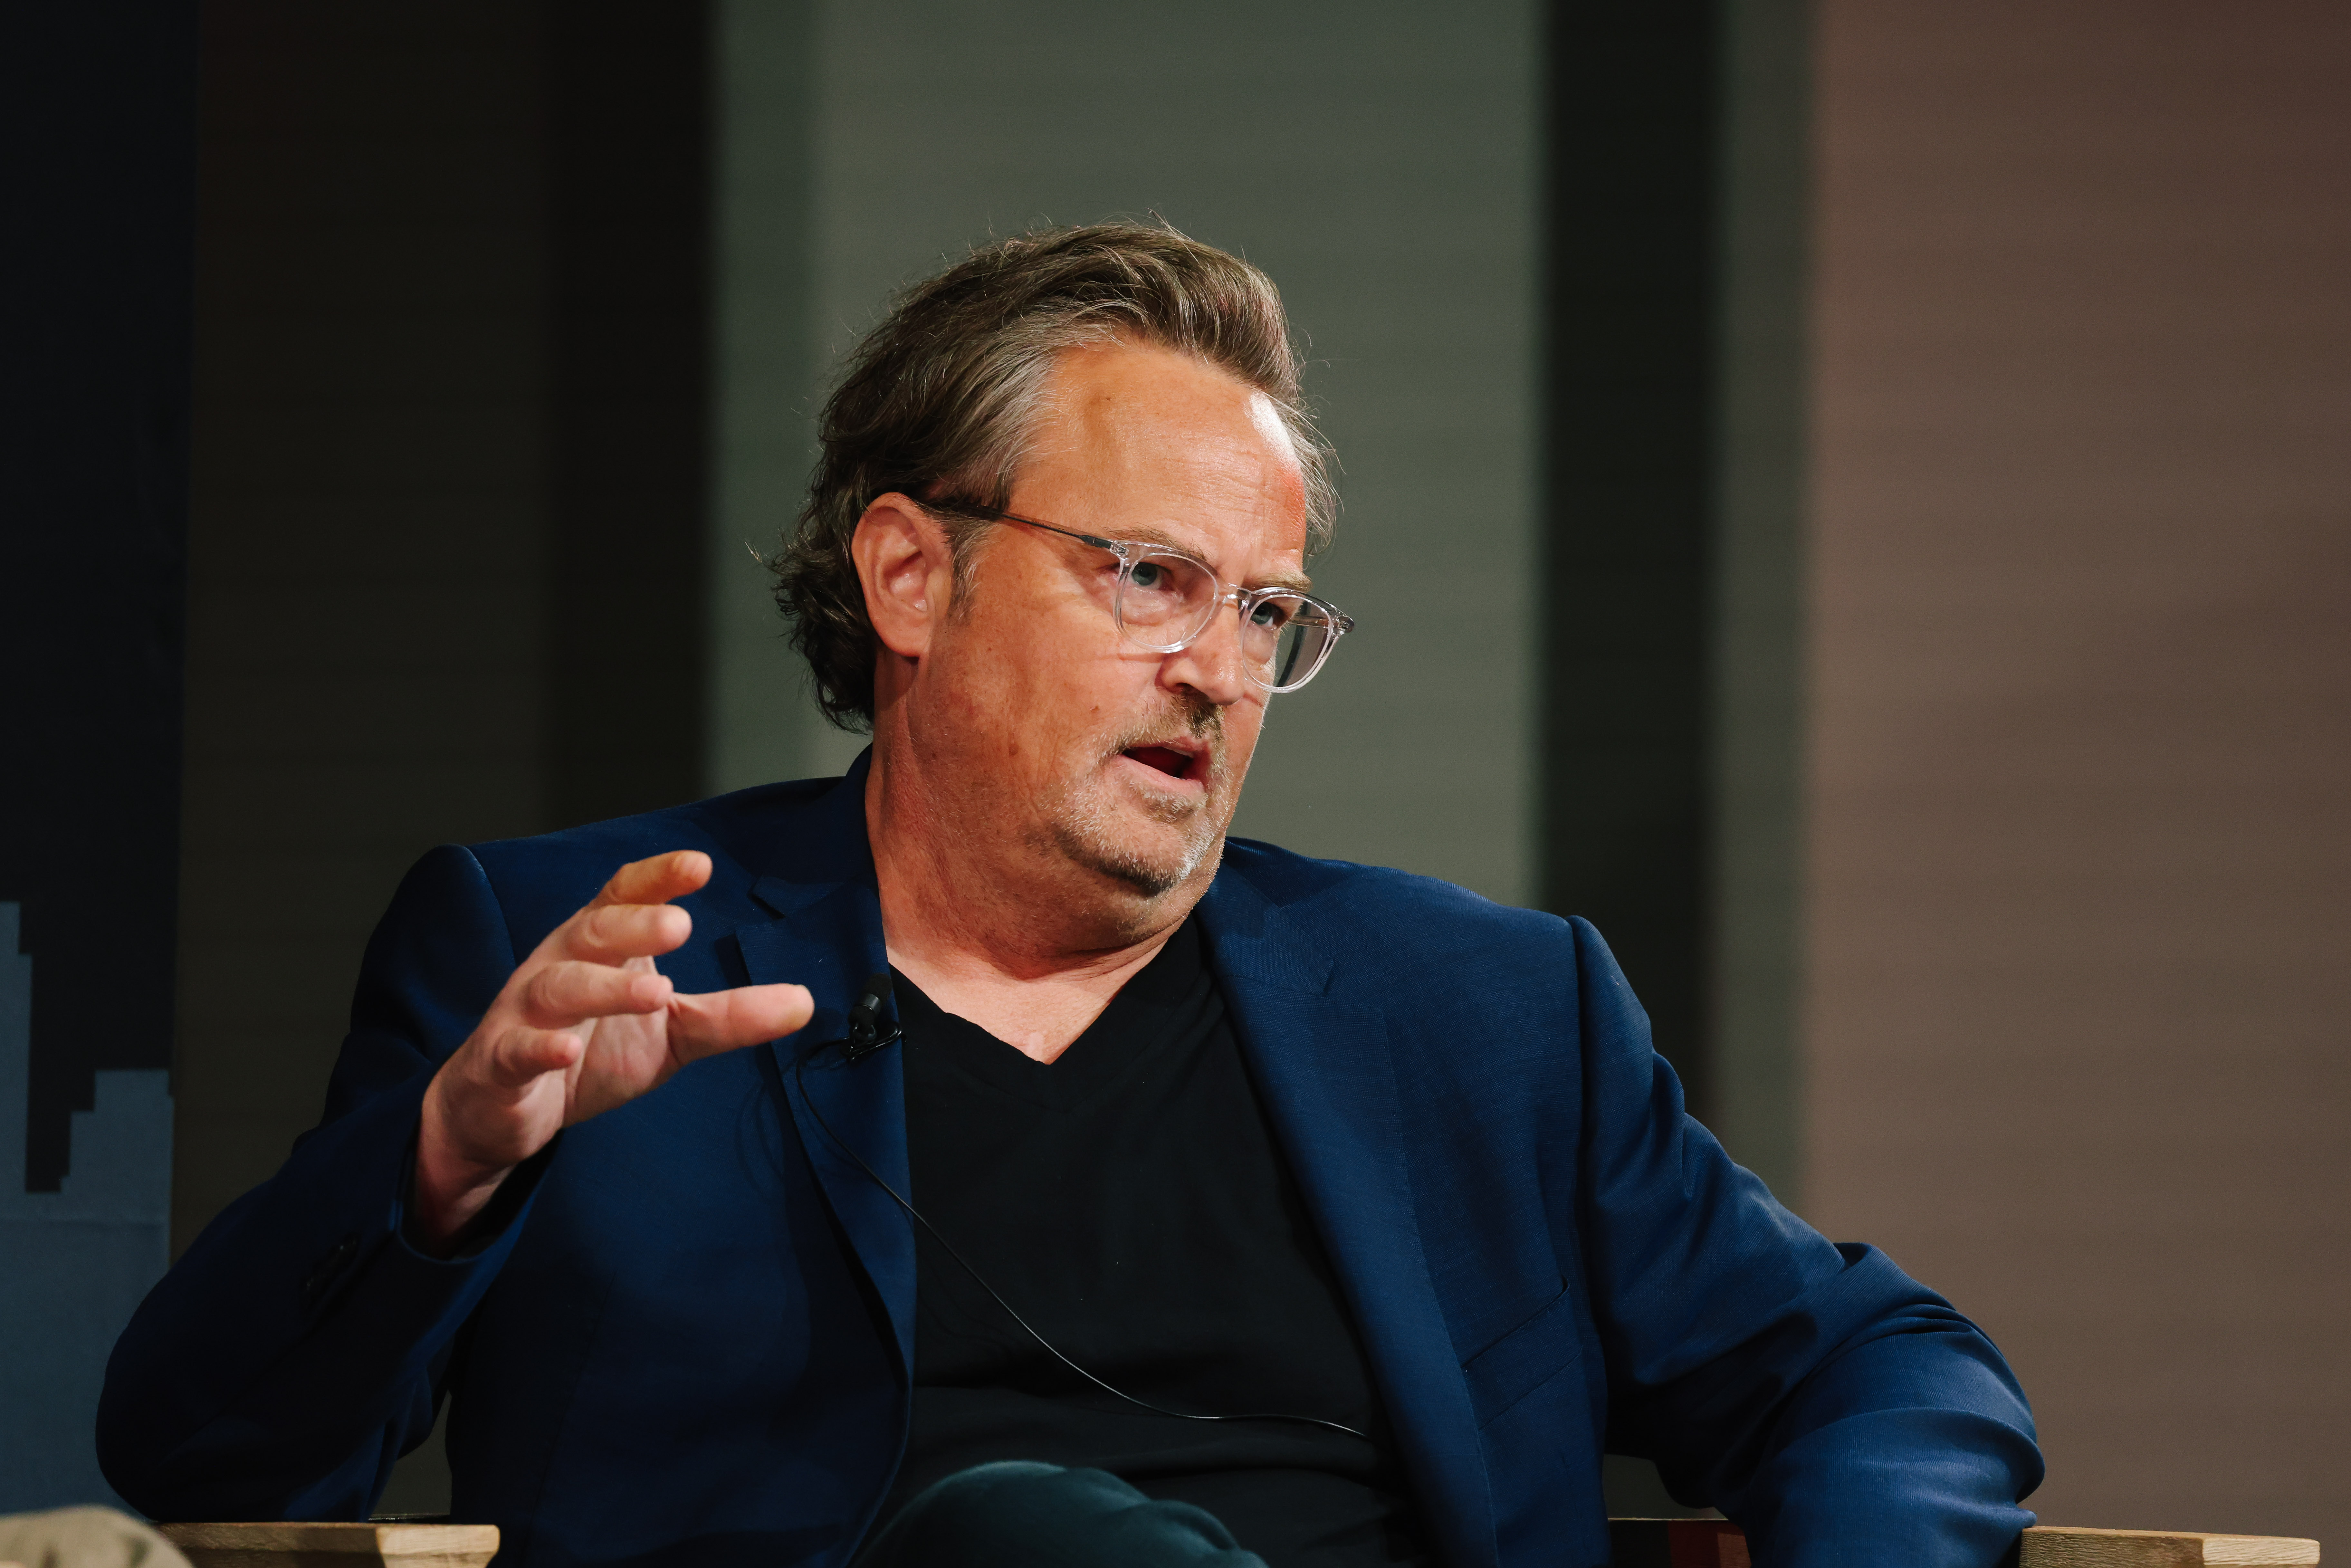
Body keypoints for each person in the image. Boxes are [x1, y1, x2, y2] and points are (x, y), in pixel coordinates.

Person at [99, 224, 2040, 1568]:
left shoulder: (1483, 1016)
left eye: (1265, 610)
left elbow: (1888, 1369)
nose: (1216, 667)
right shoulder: (588, 962)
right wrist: (444, 1165)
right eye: (1147, 579)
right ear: (907, 579)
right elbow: (205, 1462)